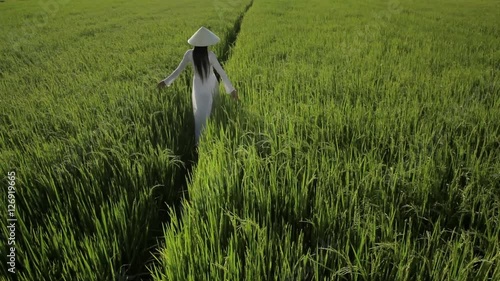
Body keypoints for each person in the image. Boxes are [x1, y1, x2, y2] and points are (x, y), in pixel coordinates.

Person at [158, 26, 238, 146]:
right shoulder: (211, 55)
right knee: (213, 111)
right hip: (211, 84)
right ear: (207, 43)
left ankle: (199, 142)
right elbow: (222, 73)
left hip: (198, 87)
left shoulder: (189, 54)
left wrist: (165, 82)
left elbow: (178, 70)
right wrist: (232, 90)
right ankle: (214, 138)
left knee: (200, 114)